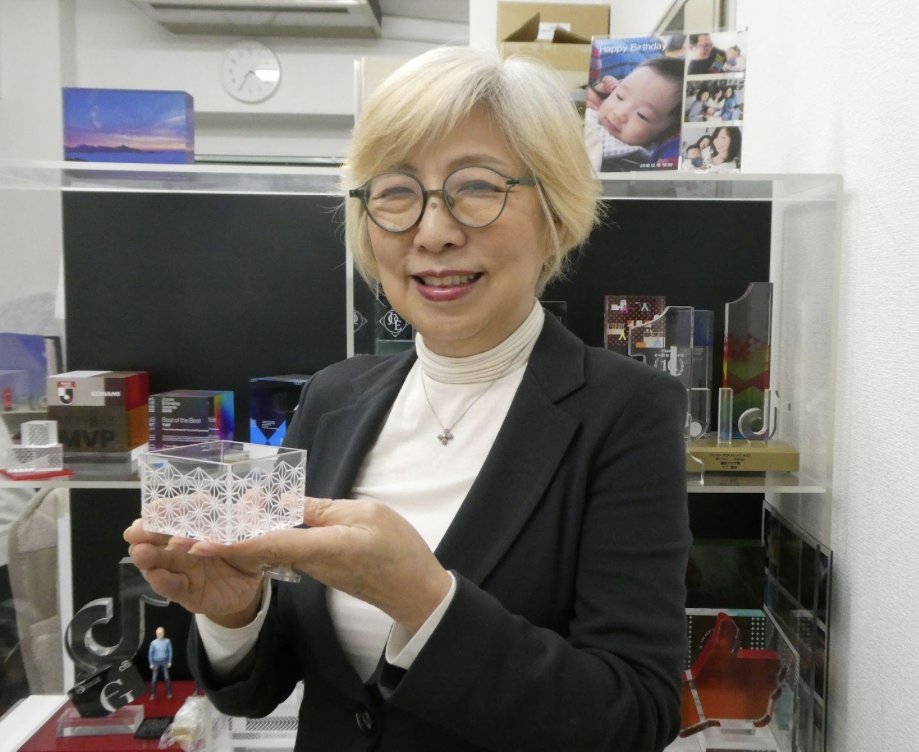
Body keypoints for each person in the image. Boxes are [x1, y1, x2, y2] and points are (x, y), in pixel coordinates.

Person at [125, 46, 690, 752]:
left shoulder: (626, 412)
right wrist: (236, 613)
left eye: (476, 187)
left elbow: (635, 714)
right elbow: (266, 685)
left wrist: (424, 601)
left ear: (553, 212)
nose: (433, 232)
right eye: (395, 191)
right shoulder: (334, 397)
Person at [584, 56, 685, 171]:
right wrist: (596, 91)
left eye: (642, 115)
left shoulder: (632, 160)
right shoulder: (593, 109)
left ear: (667, 134)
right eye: (620, 96)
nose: (620, 114)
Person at [148, 626, 173, 699]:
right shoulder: (153, 643)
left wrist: (170, 661)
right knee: (154, 679)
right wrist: (151, 663)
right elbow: (150, 654)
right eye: (158, 633)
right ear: (156, 634)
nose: (160, 634)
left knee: (167, 678)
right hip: (155, 662)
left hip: (165, 661)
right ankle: (153, 693)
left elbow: (170, 652)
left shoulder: (167, 641)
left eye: (161, 633)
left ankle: (169, 692)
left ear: (163, 633)